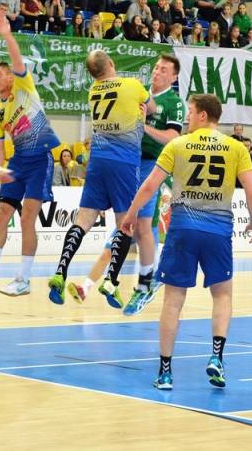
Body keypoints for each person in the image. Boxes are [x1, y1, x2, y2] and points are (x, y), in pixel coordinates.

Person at [120, 93, 252, 390]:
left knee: (173, 301)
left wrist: (131, 214)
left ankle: (165, 373)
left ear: (203, 115)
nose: (186, 117)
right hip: (218, 231)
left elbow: (149, 186)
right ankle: (217, 358)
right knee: (222, 296)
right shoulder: (236, 147)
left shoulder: (177, 145)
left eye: (190, 112)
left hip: (183, 229)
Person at [67, 55, 185, 316]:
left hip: (150, 165)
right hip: (124, 162)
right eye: (156, 67)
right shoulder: (136, 90)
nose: (157, 72)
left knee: (140, 226)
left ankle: (144, 284)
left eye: (164, 70)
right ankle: (90, 285)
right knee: (124, 231)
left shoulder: (174, 103)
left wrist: (144, 128)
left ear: (174, 77)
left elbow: (173, 138)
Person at [0, 8, 60, 296]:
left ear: (10, 77)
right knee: (2, 213)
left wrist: (7, 35)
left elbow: (17, 59)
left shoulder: (24, 86)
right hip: (17, 161)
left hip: (40, 159)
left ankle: (23, 279)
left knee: (27, 217)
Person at [47, 49, 150, 308]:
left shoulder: (93, 91)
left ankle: (60, 272)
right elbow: (152, 107)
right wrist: (142, 116)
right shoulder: (132, 85)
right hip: (124, 163)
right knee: (125, 225)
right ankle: (111, 281)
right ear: (112, 63)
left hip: (97, 162)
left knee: (82, 221)